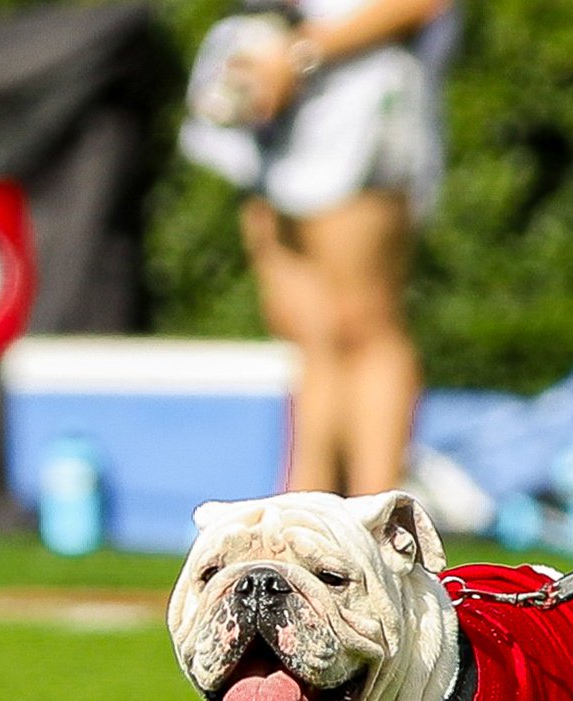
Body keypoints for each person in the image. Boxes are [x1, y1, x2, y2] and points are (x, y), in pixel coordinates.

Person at [181, 0, 458, 495]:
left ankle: (377, 522)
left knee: (364, 325)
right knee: (304, 328)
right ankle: (303, 508)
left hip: (360, 103)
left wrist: (301, 52)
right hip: (281, 114)